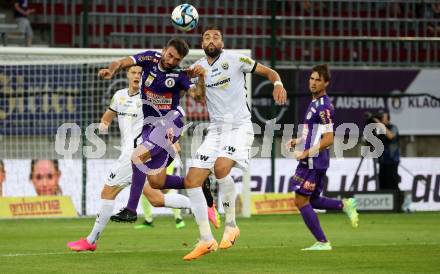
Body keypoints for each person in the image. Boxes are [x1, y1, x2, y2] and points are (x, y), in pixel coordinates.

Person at [141, 26, 287, 260]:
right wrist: (192, 76)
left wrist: (278, 84)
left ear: (222, 42)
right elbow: (185, 86)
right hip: (216, 130)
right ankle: (206, 240)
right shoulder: (198, 66)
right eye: (206, 37)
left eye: (216, 36)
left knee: (220, 168)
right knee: (191, 181)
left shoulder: (236, 59)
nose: (211, 39)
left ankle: (231, 225)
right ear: (202, 43)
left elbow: (269, 73)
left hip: (239, 127)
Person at [67, 65, 194, 252]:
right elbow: (110, 113)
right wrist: (104, 124)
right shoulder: (119, 96)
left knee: (107, 192)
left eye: (140, 73)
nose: (136, 76)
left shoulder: (149, 97)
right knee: (156, 199)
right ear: (127, 74)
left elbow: (172, 114)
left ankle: (91, 240)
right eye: (133, 72)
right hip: (131, 153)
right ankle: (202, 204)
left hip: (136, 154)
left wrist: (173, 140)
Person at [287, 64, 359, 251]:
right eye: (311, 78)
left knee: (301, 200)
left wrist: (305, 153)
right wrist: (299, 140)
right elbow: (314, 133)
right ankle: (345, 204)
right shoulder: (314, 103)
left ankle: (323, 242)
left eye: (318, 80)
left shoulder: (324, 107)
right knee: (312, 199)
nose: (313, 82)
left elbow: (328, 139)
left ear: (326, 83)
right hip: (313, 159)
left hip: (313, 161)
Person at [374, 110, 402, 211]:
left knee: (393, 183)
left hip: (392, 160)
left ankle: (398, 206)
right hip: (382, 161)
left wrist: (380, 125)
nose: (381, 119)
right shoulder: (380, 129)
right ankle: (385, 207)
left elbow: (391, 136)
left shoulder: (393, 127)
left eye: (383, 117)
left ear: (388, 119)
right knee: (383, 182)